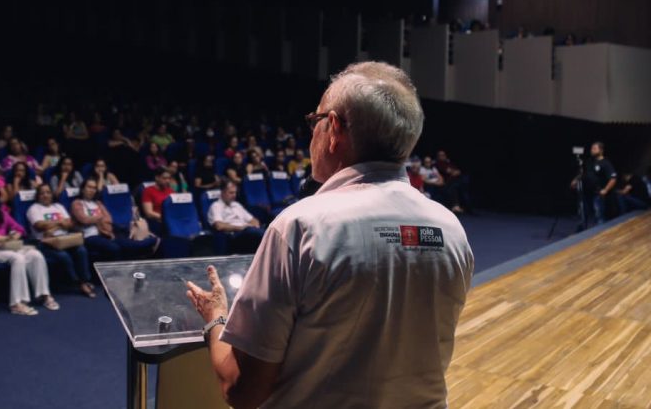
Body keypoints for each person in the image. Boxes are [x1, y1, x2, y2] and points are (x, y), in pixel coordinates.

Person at [184, 61, 473, 408]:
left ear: (333, 127)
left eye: (314, 121)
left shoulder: (299, 227)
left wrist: (216, 317)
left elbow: (241, 390)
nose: (312, 133)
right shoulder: (450, 229)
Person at [0, 186, 58, 315]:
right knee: (18, 259)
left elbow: (20, 229)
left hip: (8, 246)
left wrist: (16, 234)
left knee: (35, 254)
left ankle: (43, 294)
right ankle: (17, 303)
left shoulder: (1, 213)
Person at [27, 184, 95, 297]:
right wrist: (60, 223)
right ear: (38, 196)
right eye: (42, 193)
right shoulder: (34, 208)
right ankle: (78, 283)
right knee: (63, 256)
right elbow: (40, 225)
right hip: (46, 242)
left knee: (81, 250)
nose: (45, 195)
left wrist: (54, 227)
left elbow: (70, 223)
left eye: (48, 192)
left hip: (65, 240)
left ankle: (85, 280)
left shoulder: (58, 206)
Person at [206, 183, 264, 253]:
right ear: (222, 193)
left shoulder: (236, 204)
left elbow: (253, 220)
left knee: (259, 232)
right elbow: (219, 226)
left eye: (235, 193)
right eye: (231, 193)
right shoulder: (216, 206)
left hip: (247, 231)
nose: (234, 195)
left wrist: (254, 226)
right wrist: (241, 228)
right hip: (233, 234)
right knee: (259, 234)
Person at [570, 141, 616, 227]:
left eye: (594, 149)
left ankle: (600, 231)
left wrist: (605, 190)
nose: (592, 150)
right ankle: (583, 231)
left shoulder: (606, 163)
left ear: (601, 150)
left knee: (598, 214)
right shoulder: (589, 161)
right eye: (591, 148)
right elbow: (583, 173)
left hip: (597, 193)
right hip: (586, 192)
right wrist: (575, 180)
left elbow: (613, 178)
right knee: (583, 213)